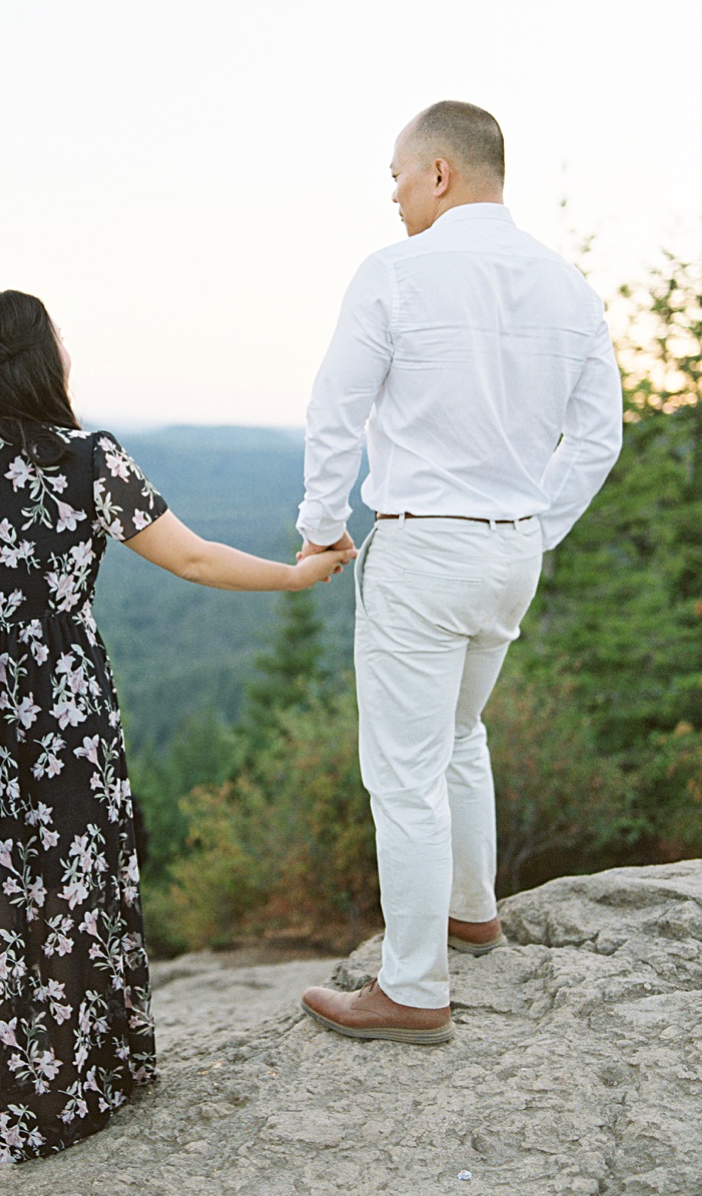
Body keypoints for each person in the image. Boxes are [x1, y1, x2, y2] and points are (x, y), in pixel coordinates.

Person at [0, 289, 353, 1169]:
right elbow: (191, 557)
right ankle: (70, 1084)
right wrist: (296, 575)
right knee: (70, 887)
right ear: (37, 359)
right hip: (62, 710)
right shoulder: (85, 460)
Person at [295, 101, 624, 1044]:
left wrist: (322, 527)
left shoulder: (396, 273)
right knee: (458, 732)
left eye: (398, 176)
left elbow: (335, 408)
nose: (394, 196)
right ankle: (472, 912)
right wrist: (535, 527)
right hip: (511, 551)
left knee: (404, 775)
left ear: (439, 172)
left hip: (424, 548)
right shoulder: (567, 286)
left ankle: (412, 988)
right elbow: (597, 436)